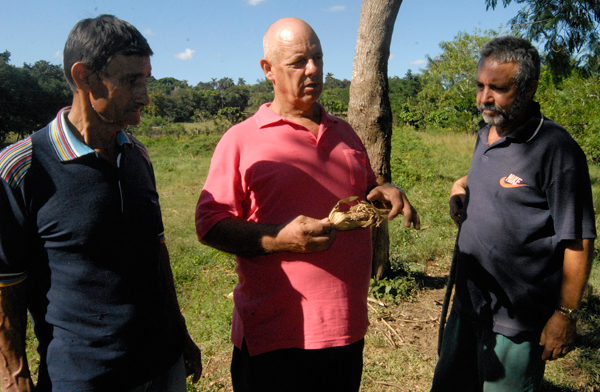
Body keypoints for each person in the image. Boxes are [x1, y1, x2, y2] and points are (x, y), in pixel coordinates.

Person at [195, 17, 420, 392]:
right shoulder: (241, 141)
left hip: (345, 331)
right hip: (275, 336)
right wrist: (279, 239)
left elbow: (363, 191)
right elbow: (209, 225)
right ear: (268, 69)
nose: (313, 69)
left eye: (317, 57)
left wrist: (385, 190)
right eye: (298, 61)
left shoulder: (345, 133)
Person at [0, 15, 202, 392]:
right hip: (86, 378)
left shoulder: (136, 156)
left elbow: (156, 249)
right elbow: (6, 280)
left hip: (163, 367)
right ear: (84, 77)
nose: (145, 95)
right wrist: (12, 375)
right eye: (131, 81)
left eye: (146, 80)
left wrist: (180, 332)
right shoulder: (23, 167)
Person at [431, 36, 596, 392]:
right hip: (468, 304)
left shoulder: (556, 150)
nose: (483, 98)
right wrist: (459, 187)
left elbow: (578, 238)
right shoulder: (485, 135)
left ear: (529, 87)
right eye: (480, 86)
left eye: (498, 88)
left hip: (517, 322)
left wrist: (564, 315)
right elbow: (487, 176)